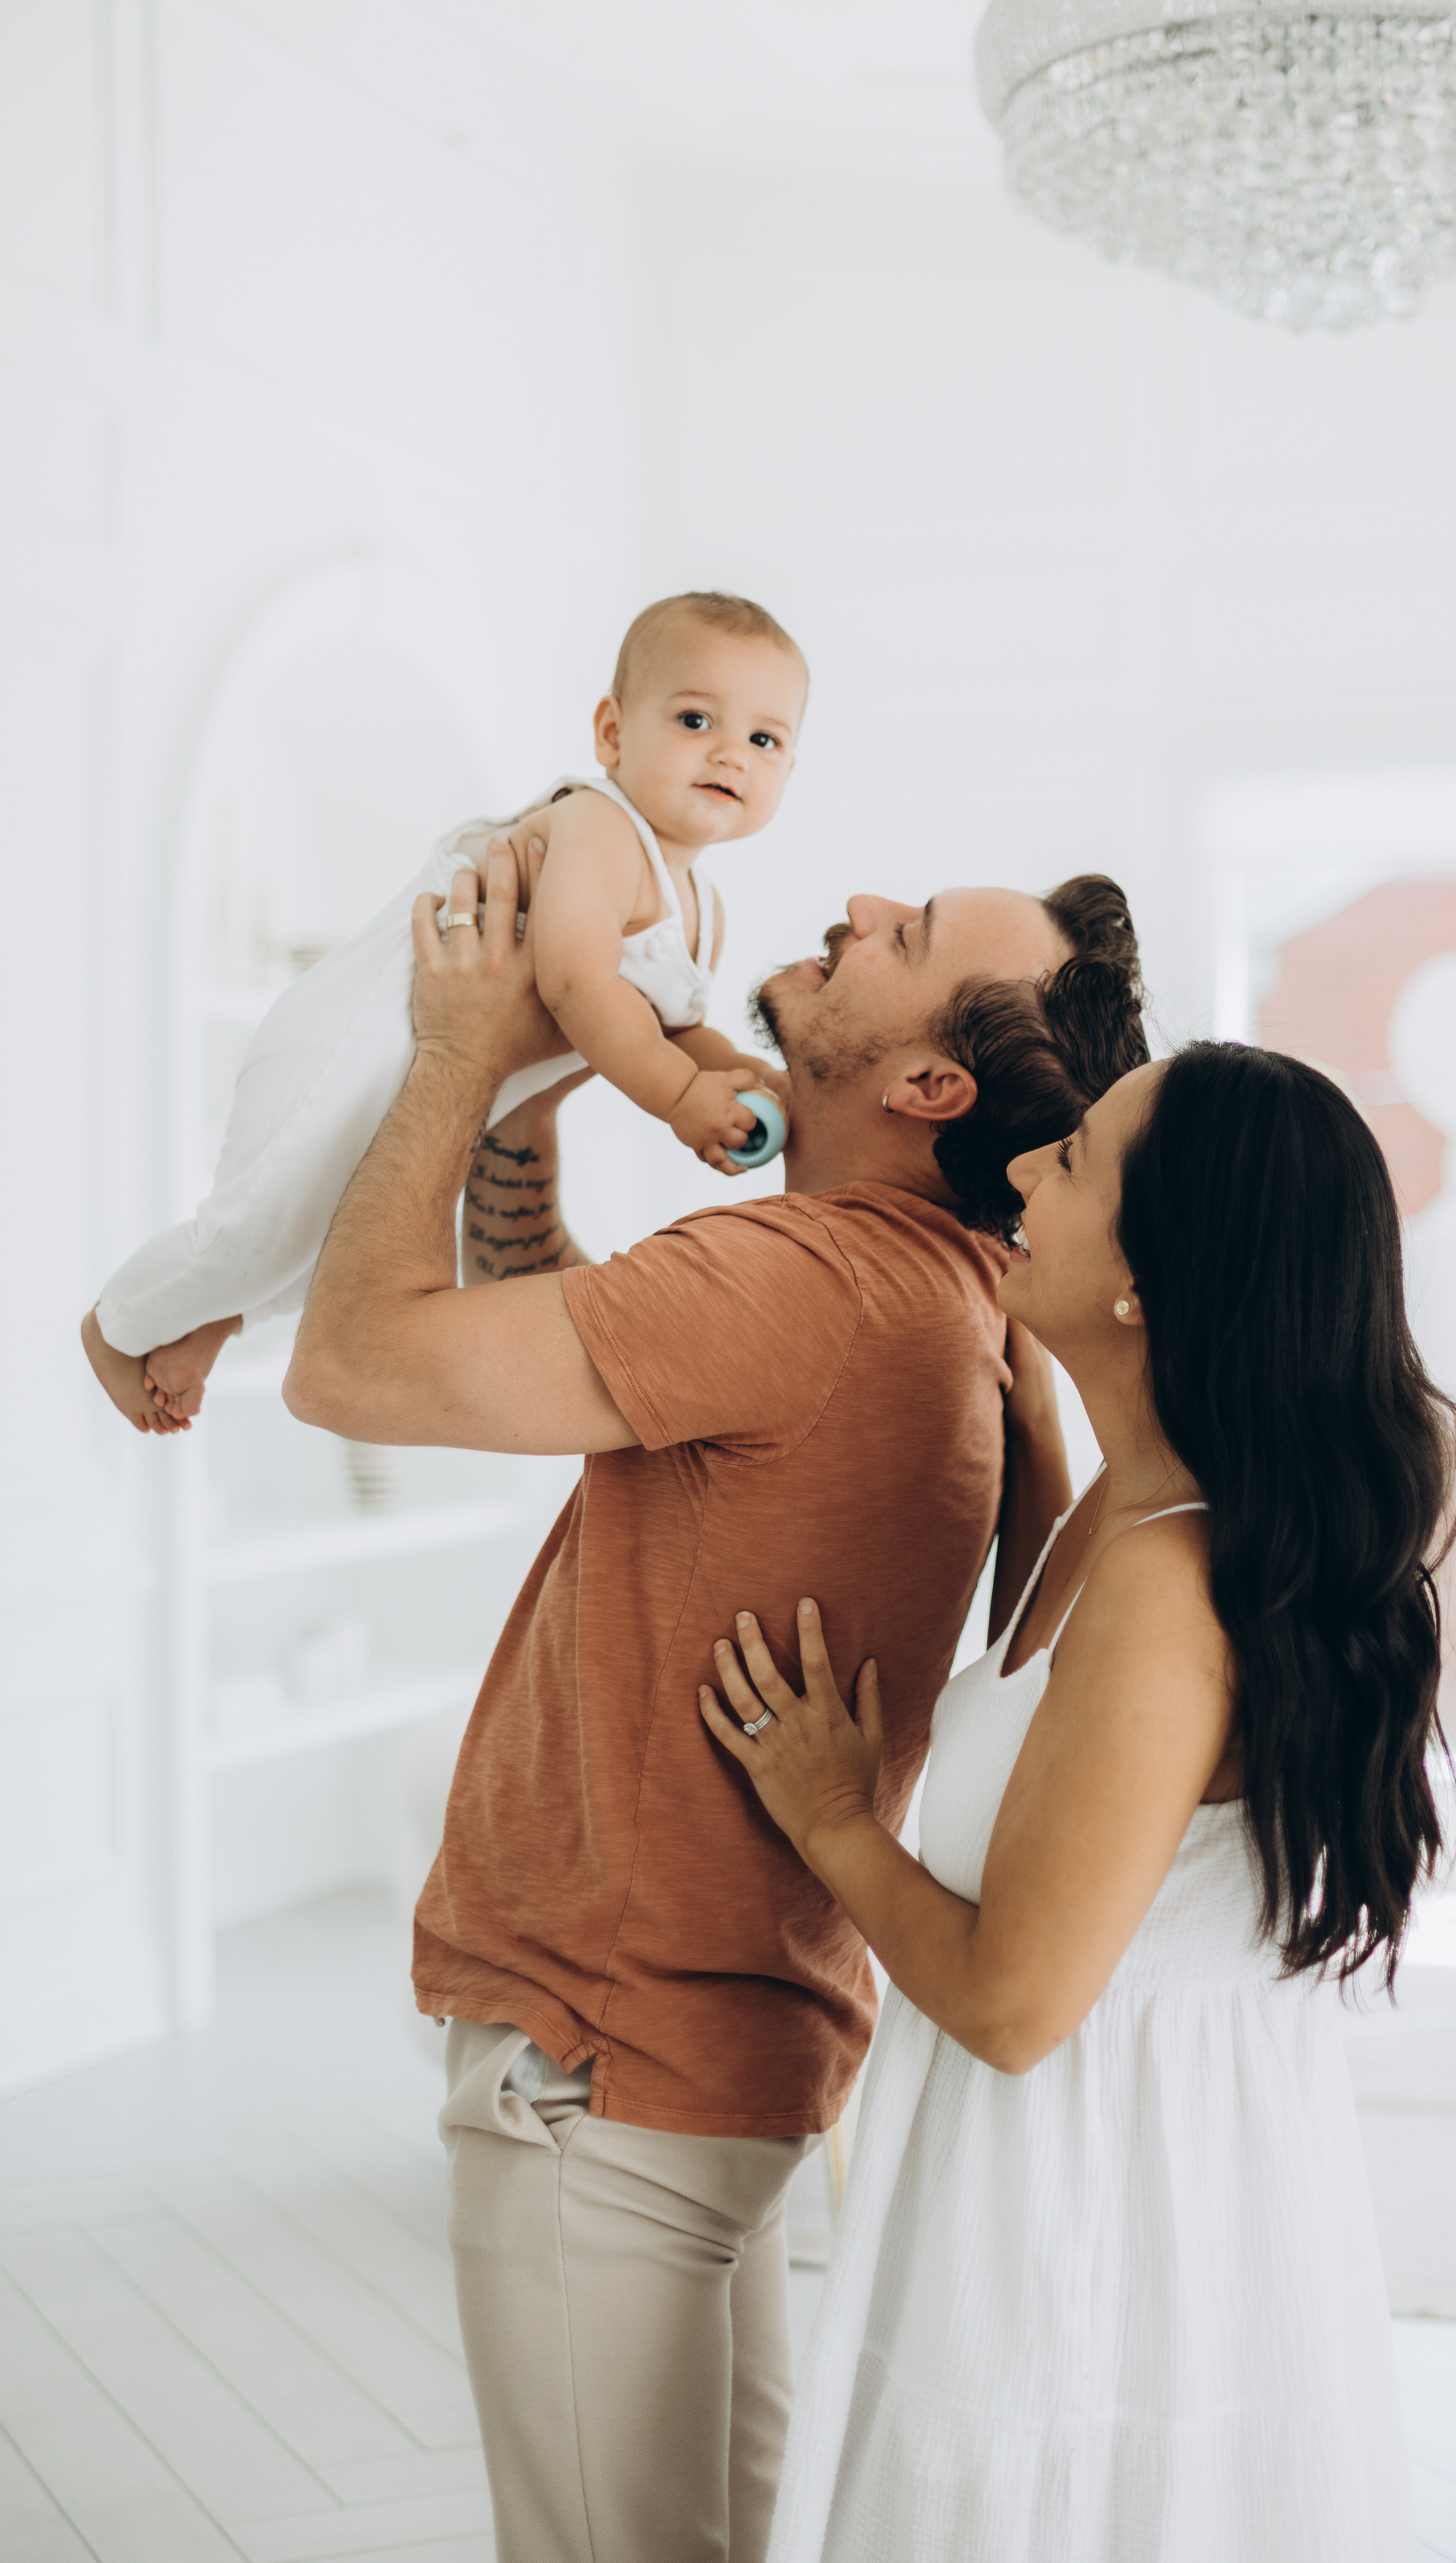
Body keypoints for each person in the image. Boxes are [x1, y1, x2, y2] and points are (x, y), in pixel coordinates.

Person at [279, 840, 1150, 2563]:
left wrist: (458, 1044)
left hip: (602, 2081)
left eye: (905, 937)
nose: (856, 909)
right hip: (722, 2078)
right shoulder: (931, 1303)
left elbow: (347, 1361)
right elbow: (596, 1329)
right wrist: (529, 1106)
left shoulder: (801, 1289)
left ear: (925, 1082)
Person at [703, 1042, 1456, 2563]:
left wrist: (828, 1810)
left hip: (1088, 2229)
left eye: (1076, 1160)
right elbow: (1067, 1730)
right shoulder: (1137, 1501)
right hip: (1101, 2182)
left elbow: (1009, 1998)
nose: (1026, 1168)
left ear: (1151, 1273)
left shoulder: (1167, 1585)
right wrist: (1036, 1427)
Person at [81, 590, 803, 1434]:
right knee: (268, 1217)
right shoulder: (600, 832)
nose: (730, 754)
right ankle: (117, 1323)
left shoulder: (700, 907)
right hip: (353, 1041)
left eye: (764, 739)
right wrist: (682, 1099)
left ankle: (212, 1316)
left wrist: (754, 1078)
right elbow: (578, 987)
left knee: (337, 1233)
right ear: (612, 733)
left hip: (434, 1072)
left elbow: (676, 1028)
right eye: (694, 720)